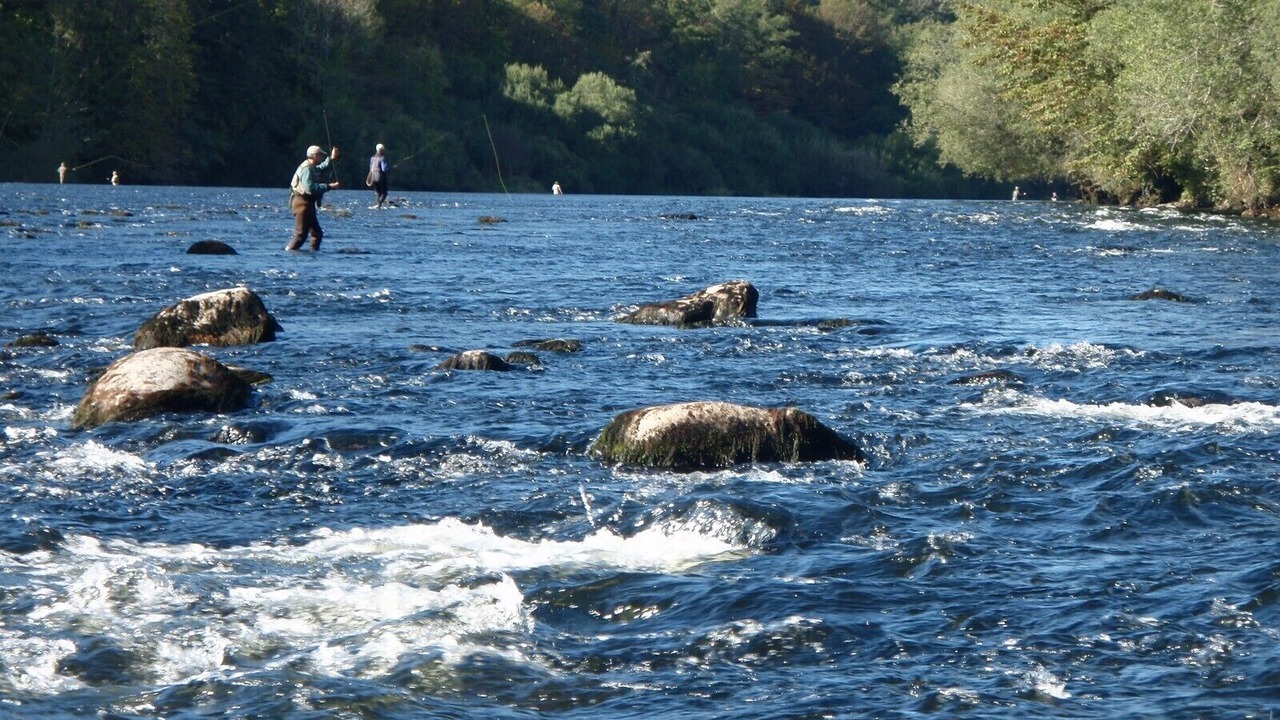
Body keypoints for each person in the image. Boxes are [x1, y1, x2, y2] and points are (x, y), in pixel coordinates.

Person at [287, 144, 340, 251]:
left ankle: (313, 255)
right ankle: (288, 254)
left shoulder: (312, 167)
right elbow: (309, 188)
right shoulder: (307, 169)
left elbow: (321, 168)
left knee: (317, 233)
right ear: (314, 155)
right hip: (302, 204)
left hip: (307, 204)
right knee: (300, 234)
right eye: (320, 155)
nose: (321, 157)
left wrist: (332, 159)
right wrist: (329, 186)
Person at [367, 143, 389, 208]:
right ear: (382, 150)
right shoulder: (383, 158)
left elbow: (371, 167)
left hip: (373, 178)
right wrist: (391, 168)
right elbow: (384, 169)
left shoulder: (372, 158)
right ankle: (379, 205)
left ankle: (378, 205)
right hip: (380, 178)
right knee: (384, 193)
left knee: (378, 193)